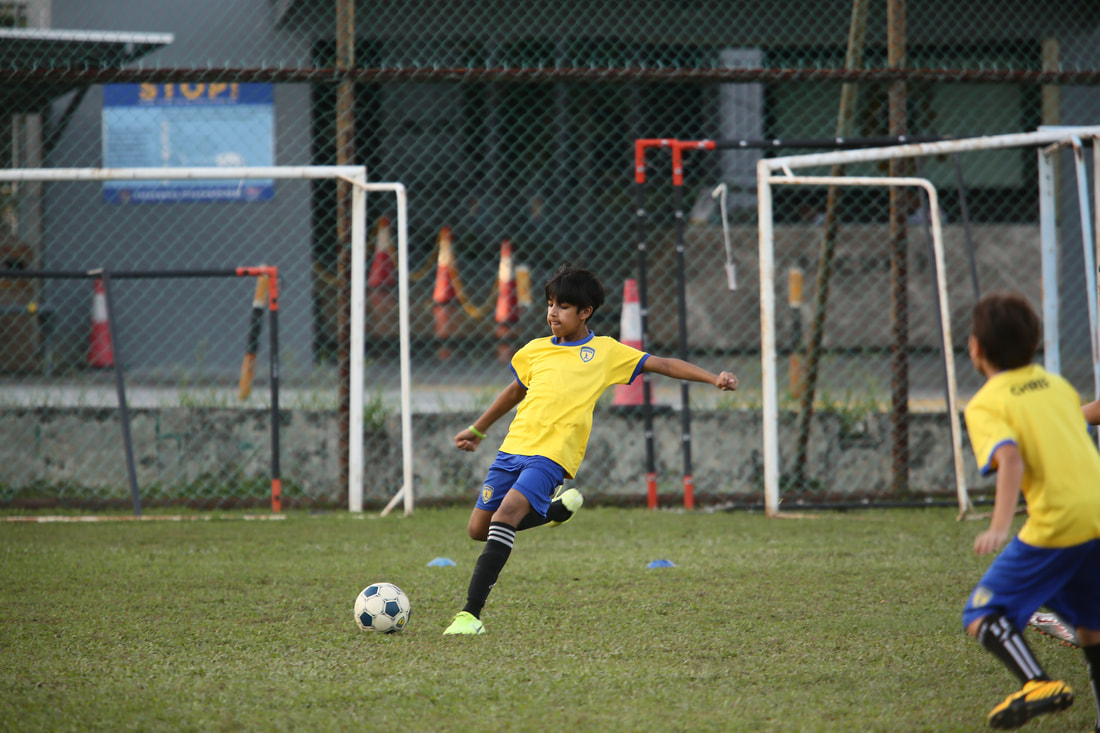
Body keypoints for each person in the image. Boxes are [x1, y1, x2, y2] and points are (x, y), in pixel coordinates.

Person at [443, 265, 738, 635]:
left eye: (563, 306)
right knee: (478, 529)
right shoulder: (534, 351)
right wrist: (478, 429)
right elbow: (515, 390)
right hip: (512, 449)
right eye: (550, 304)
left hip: (552, 455)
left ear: (585, 312)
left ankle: (470, 615)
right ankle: (554, 512)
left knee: (507, 515)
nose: (553, 313)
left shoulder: (604, 352)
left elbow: (662, 364)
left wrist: (713, 378)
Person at [961, 292, 1100, 730]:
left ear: (975, 348)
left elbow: (1011, 458)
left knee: (982, 612)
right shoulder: (1056, 385)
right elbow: (1081, 417)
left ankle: (1038, 683)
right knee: (1092, 625)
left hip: (1058, 522)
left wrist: (999, 526)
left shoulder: (985, 403)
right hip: (1097, 514)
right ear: (1034, 342)